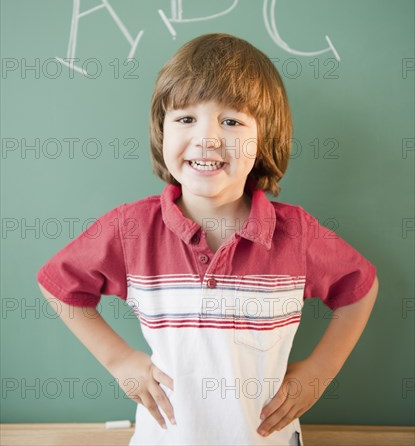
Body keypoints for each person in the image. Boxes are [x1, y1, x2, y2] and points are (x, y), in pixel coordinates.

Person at [37, 33, 379, 446]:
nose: (208, 138)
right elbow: (58, 284)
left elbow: (359, 288)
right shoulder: (132, 229)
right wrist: (120, 360)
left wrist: (318, 373)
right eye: (186, 119)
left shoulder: (296, 235)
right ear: (162, 130)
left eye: (231, 121)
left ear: (263, 137)